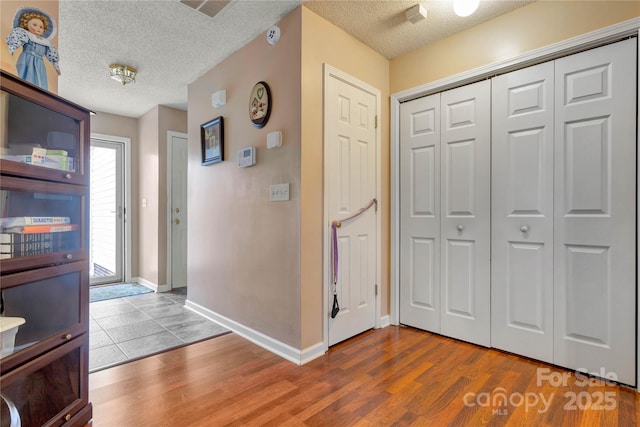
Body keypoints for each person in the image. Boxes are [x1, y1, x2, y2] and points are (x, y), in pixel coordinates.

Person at [5, 7, 61, 90]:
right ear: (26, 24)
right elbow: (15, 42)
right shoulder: (26, 35)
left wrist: (56, 67)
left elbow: (52, 55)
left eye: (41, 27)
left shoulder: (46, 42)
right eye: (35, 25)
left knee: (39, 79)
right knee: (25, 75)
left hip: (40, 63)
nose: (38, 28)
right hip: (27, 58)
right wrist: (10, 51)